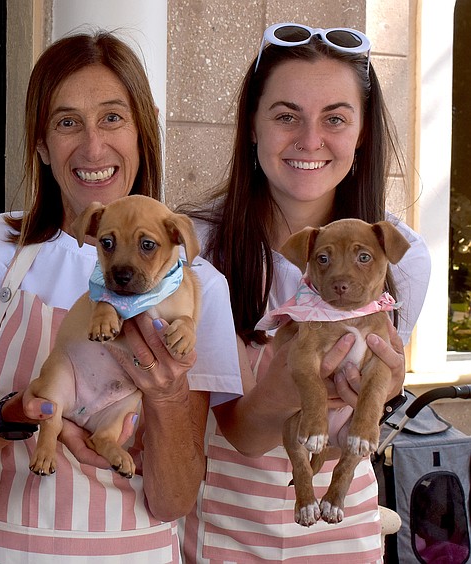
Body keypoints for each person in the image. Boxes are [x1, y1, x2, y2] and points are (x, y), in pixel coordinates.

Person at [0, 31, 243, 562]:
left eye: (113, 118)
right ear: (41, 145)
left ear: (143, 136)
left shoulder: (198, 288)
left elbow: (175, 498)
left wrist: (166, 396)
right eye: (67, 121)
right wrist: (11, 416)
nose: (93, 146)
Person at [179, 23, 432, 562]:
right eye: (286, 115)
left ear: (362, 133)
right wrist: (295, 382)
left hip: (346, 536)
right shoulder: (194, 247)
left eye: (335, 118)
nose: (310, 140)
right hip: (223, 533)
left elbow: (356, 428)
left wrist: (379, 388)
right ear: (252, 124)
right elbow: (239, 433)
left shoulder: (403, 255)